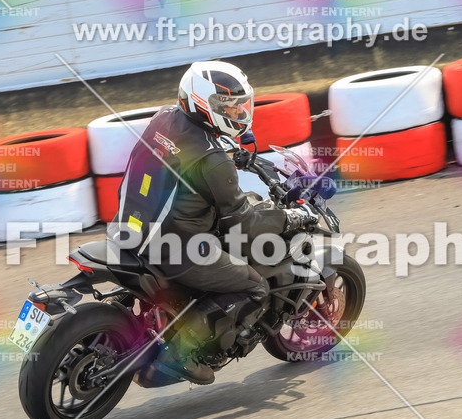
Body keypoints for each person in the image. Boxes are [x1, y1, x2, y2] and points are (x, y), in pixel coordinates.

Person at [108, 60, 315, 385]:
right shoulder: (214, 162)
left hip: (129, 226)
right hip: (175, 250)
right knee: (253, 286)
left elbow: (190, 151)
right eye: (228, 107)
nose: (237, 114)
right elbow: (242, 226)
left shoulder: (165, 118)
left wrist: (229, 153)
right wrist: (288, 217)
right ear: (202, 104)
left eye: (238, 106)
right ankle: (184, 354)